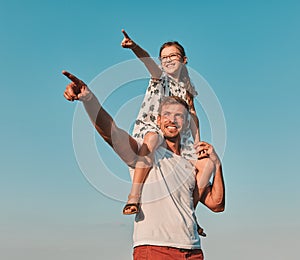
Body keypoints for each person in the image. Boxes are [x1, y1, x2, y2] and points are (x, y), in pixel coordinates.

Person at [62, 70, 225, 260]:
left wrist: (217, 165)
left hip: (193, 250)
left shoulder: (190, 165)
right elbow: (112, 133)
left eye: (179, 116)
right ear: (158, 120)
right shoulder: (145, 155)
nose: (172, 120)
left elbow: (217, 204)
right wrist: (89, 100)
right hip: (155, 248)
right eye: (167, 115)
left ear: (187, 123)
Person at [120, 30, 212, 220]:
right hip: (152, 128)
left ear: (184, 60)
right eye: (164, 57)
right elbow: (147, 61)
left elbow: (193, 117)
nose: (168, 60)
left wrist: (197, 143)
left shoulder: (188, 89)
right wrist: (134, 47)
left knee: (206, 166)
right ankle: (134, 196)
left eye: (173, 56)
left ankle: (191, 213)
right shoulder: (160, 77)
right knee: (152, 138)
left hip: (177, 136)